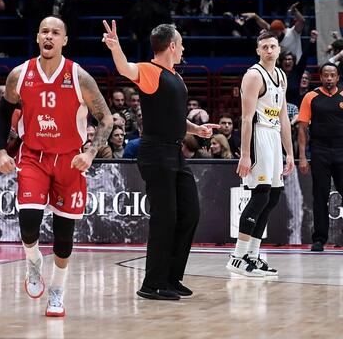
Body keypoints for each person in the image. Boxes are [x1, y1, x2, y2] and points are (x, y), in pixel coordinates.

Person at [0, 16, 112, 317]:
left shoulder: (79, 76)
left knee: (63, 235)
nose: (49, 36)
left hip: (70, 159)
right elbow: (4, 111)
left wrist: (91, 152)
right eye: (44, 31)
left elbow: (107, 118)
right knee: (28, 224)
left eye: (55, 32)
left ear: (64, 40)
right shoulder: (19, 74)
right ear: (37, 37)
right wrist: (0, 151)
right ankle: (33, 261)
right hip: (33, 156)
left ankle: (57, 291)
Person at [102, 21, 217, 300]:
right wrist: (116, 48)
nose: (184, 48)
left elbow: (175, 117)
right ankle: (152, 283)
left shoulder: (175, 76)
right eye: (181, 44)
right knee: (164, 218)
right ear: (172, 46)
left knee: (189, 212)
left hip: (175, 152)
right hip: (156, 152)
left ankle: (170, 278)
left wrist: (196, 129)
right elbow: (125, 69)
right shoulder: (150, 71)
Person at [227, 32, 295, 277]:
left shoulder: (281, 75)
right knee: (260, 196)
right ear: (258, 51)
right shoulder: (254, 75)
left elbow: (284, 116)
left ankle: (252, 256)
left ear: (279, 50)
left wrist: (289, 152)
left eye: (272, 46)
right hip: (258, 136)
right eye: (264, 47)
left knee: (272, 196)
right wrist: (245, 154)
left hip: (274, 136)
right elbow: (246, 118)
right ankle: (237, 257)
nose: (269, 50)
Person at [298, 63, 343, 252]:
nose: (329, 78)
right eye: (326, 75)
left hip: (341, 150)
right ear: (321, 77)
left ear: (338, 77)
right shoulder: (311, 96)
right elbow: (302, 128)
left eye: (332, 75)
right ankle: (319, 239)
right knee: (320, 196)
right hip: (320, 151)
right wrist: (302, 157)